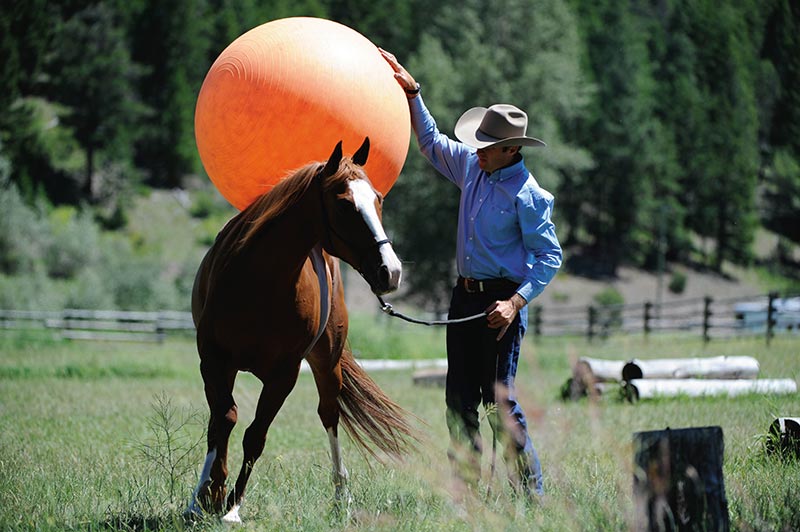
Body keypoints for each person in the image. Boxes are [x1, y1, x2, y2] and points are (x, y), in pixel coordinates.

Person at [381, 49, 563, 498]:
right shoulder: (473, 165)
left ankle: (532, 497)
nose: (476, 152)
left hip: (502, 304)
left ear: (509, 150)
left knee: (501, 404)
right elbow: (431, 141)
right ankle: (465, 493)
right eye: (477, 145)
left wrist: (515, 302)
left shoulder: (530, 196)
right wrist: (413, 93)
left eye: (486, 147)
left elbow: (549, 257)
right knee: (458, 401)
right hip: (464, 300)